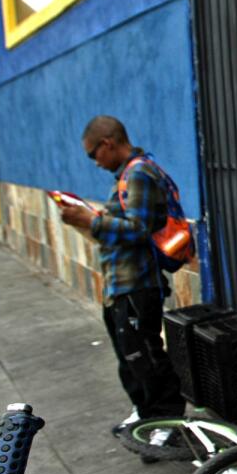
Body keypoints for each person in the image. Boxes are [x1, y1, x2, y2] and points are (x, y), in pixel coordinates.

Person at [58, 116, 185, 434]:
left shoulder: (140, 172)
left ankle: (167, 420)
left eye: (92, 154)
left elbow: (138, 230)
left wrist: (91, 220)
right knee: (130, 357)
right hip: (120, 284)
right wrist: (86, 218)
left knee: (146, 355)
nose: (95, 163)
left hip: (138, 284)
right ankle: (146, 414)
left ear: (108, 143)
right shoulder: (127, 175)